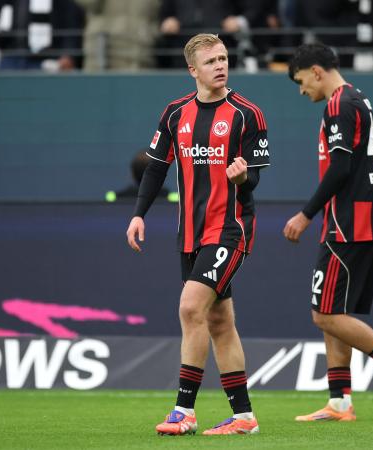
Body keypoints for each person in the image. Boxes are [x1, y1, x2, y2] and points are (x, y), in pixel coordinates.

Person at [126, 33, 270, 436]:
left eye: (224, 58)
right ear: (193, 69)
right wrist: (139, 215)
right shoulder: (175, 114)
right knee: (220, 320)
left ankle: (184, 411)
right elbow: (155, 167)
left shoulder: (246, 114)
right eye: (211, 61)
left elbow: (253, 177)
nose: (220, 66)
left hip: (230, 227)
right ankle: (243, 417)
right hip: (190, 231)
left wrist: (243, 179)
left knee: (191, 307)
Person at [283, 42, 373, 421]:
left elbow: (340, 168)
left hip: (345, 223)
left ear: (316, 72)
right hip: (359, 219)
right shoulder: (359, 100)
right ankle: (340, 402)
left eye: (301, 82)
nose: (302, 91)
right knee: (333, 309)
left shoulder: (339, 105)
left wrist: (305, 214)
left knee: (324, 316)